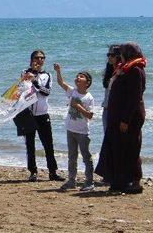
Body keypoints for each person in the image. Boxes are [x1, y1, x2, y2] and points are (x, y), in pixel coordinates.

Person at [96, 42, 147, 194]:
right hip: (117, 116)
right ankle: (119, 181)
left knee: (130, 149)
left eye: (122, 52)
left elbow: (134, 98)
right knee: (117, 148)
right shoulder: (126, 69)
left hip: (128, 118)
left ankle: (133, 182)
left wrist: (126, 120)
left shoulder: (136, 70)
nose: (120, 55)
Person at [21, 50, 65, 182]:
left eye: (42, 58)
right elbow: (22, 89)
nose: (40, 60)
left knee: (48, 144)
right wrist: (31, 76)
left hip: (42, 114)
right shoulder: (25, 73)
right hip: (28, 114)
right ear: (31, 59)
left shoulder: (47, 75)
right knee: (30, 144)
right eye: (37, 58)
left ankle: (53, 172)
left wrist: (35, 81)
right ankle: (33, 172)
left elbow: (46, 92)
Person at [53, 63, 95, 192]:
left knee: (86, 157)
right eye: (77, 76)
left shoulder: (89, 97)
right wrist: (58, 71)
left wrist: (77, 106)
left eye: (81, 76)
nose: (77, 77)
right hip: (70, 129)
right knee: (72, 157)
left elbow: (90, 115)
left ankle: (89, 182)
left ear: (87, 82)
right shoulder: (72, 91)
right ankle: (71, 181)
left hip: (82, 132)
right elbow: (61, 83)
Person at [102, 45, 121, 132]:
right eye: (108, 55)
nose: (109, 57)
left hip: (116, 110)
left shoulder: (122, 72)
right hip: (106, 108)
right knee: (107, 137)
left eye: (112, 55)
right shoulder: (108, 70)